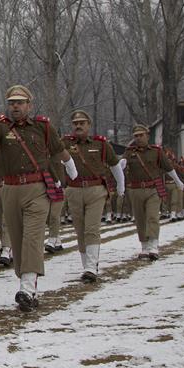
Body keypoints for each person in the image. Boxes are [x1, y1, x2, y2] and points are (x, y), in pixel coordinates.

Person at [0, 85, 77, 312]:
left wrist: (70, 166)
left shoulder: (42, 127)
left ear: (29, 104)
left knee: (32, 237)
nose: (15, 106)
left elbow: (59, 150)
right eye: (11, 102)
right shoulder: (3, 127)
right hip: (11, 189)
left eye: (19, 102)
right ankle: (25, 283)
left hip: (37, 188)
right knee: (17, 240)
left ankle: (27, 288)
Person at [61, 110, 125, 282]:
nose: (78, 126)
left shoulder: (101, 144)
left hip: (95, 190)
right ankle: (87, 266)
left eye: (82, 123)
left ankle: (91, 267)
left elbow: (114, 165)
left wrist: (121, 184)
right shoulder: (65, 143)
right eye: (75, 123)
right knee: (80, 230)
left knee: (91, 228)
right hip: (73, 190)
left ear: (89, 125)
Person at [123, 124, 183, 260]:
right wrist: (121, 164)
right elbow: (122, 163)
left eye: (141, 135)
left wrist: (178, 181)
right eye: (136, 136)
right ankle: (144, 246)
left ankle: (153, 246)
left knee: (152, 216)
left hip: (153, 189)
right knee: (140, 218)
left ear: (147, 136)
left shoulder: (156, 151)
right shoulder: (129, 152)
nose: (138, 138)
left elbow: (168, 167)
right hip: (136, 189)